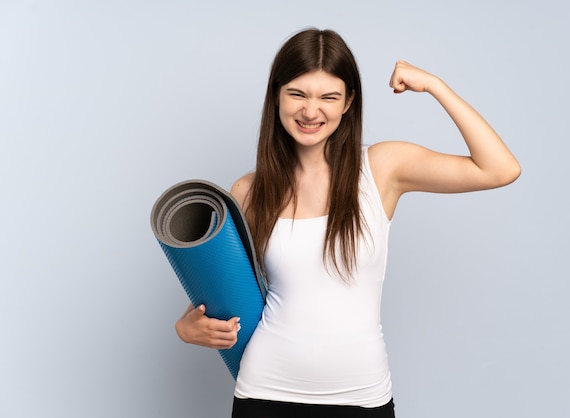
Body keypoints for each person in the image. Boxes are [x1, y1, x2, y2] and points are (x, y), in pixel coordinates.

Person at [175, 28, 521, 417]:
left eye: (328, 97)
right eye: (298, 94)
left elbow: (499, 169)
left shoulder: (382, 168)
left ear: (348, 102)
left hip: (361, 399)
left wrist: (435, 86)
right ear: (276, 96)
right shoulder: (249, 190)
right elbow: (221, 292)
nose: (311, 111)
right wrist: (187, 329)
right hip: (264, 394)